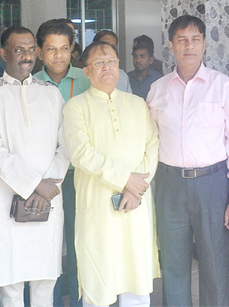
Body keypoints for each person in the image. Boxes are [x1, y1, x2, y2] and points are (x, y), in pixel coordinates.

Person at [146, 14, 229, 306]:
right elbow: (149, 140)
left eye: (195, 39)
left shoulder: (222, 86)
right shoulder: (159, 89)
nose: (188, 46)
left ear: (204, 44)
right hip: (169, 186)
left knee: (215, 264)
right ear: (171, 45)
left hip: (212, 185)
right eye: (181, 40)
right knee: (173, 264)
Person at [0, 27, 69, 307]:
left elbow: (66, 145)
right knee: (11, 287)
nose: (27, 56)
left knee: (45, 285)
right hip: (7, 203)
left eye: (31, 50)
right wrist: (34, 184)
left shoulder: (51, 94)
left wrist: (48, 184)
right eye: (19, 50)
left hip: (49, 200)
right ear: (3, 53)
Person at [63, 41, 160, 306]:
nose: (107, 67)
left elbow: (152, 145)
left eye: (112, 62)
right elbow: (81, 153)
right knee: (99, 274)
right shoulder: (75, 107)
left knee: (135, 275)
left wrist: (137, 186)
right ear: (87, 71)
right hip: (97, 206)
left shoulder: (138, 104)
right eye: (99, 63)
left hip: (135, 204)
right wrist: (125, 179)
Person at [32, 19, 90, 307]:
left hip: (81, 177)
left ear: (72, 50)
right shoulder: (31, 84)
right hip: (46, 180)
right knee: (47, 247)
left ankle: (80, 300)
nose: (58, 56)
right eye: (51, 49)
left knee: (80, 243)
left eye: (64, 49)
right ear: (40, 52)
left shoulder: (87, 79)